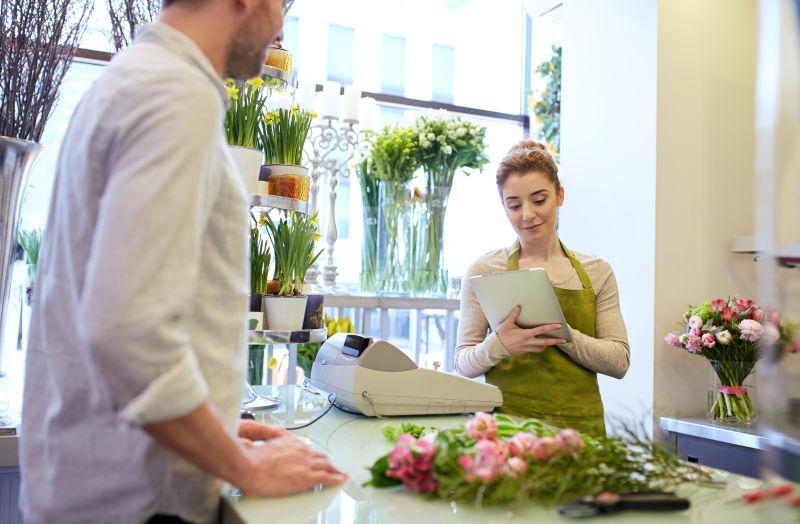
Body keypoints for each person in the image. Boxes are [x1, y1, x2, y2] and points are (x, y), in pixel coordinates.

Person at [19, 0, 345, 522]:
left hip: (101, 480)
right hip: (140, 504)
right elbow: (130, 333)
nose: (281, 27)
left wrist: (208, 427)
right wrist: (245, 466)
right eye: (279, 5)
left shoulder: (131, 79)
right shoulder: (175, 95)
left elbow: (108, 309)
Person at [455, 140, 630, 437]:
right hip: (505, 432)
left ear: (559, 195)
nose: (527, 215)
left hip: (580, 433)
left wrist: (562, 334)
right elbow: (463, 362)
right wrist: (499, 345)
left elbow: (619, 361)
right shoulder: (484, 270)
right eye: (514, 205)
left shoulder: (597, 271)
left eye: (539, 200)